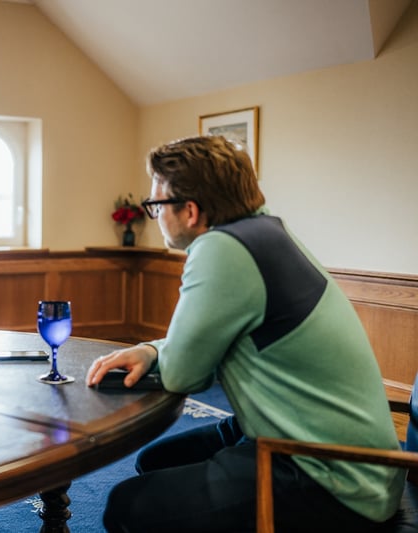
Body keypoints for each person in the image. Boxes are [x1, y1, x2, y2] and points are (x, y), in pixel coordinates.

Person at [86, 136, 404, 532]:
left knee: (126, 508)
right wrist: (152, 349)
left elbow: (186, 375)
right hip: (345, 453)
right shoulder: (265, 231)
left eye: (156, 206)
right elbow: (217, 333)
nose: (154, 216)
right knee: (156, 461)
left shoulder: (222, 250)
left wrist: (164, 355)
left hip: (330, 475)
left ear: (189, 211)